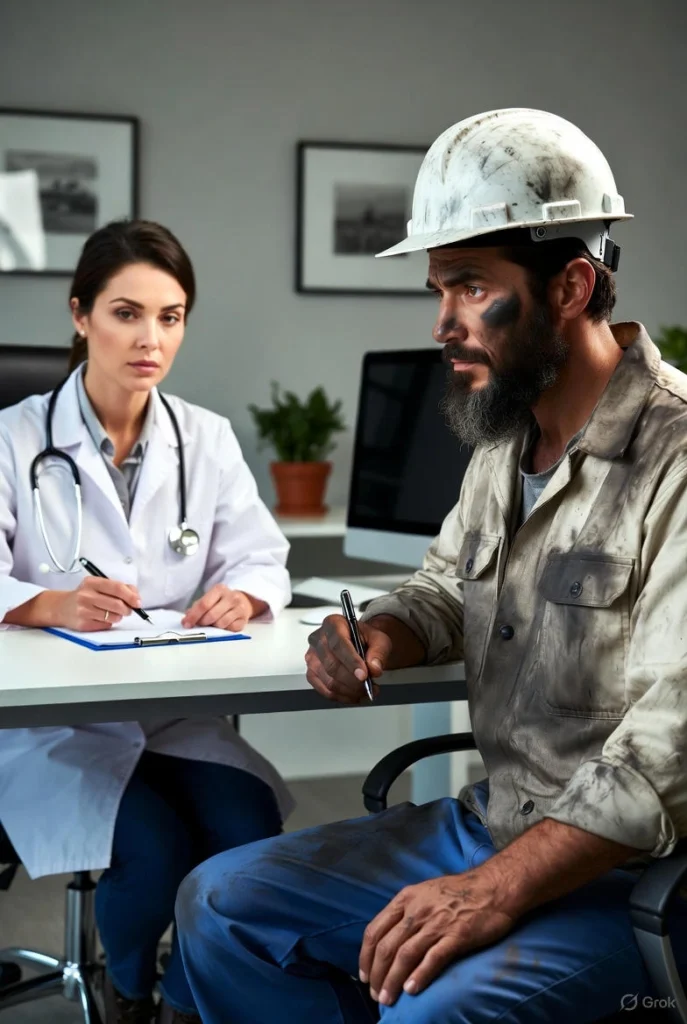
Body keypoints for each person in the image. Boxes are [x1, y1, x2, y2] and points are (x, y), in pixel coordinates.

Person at [175, 108, 687, 1023]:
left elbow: (669, 750)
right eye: (437, 289)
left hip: (636, 875)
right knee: (219, 905)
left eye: (469, 287)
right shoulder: (505, 441)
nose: (443, 323)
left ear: (570, 287)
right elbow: (446, 586)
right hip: (499, 822)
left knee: (426, 1010)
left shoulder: (674, 457)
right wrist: (378, 634)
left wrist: (494, 888)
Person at [0, 219, 294, 1024]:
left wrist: (244, 595)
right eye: (126, 313)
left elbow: (261, 557)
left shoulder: (205, 438)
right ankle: (130, 994)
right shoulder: (14, 436)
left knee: (249, 832)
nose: (150, 339)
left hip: (169, 712)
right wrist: (47, 603)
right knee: (155, 852)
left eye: (170, 317)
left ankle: (192, 997)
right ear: (80, 314)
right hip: (51, 725)